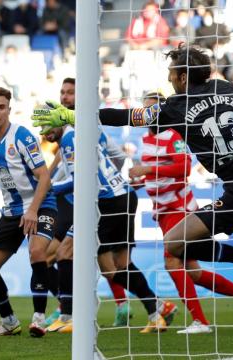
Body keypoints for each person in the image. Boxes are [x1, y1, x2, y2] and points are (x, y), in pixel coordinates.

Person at [32, 44, 233, 307]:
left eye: (172, 73)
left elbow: (126, 116)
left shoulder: (174, 107)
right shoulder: (221, 87)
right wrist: (229, 96)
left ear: (183, 76)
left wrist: (74, 115)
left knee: (174, 243)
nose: (169, 79)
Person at [39, 95, 176, 335]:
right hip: (121, 196)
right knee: (115, 266)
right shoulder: (75, 135)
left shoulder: (71, 138)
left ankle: (68, 315)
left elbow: (80, 180)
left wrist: (49, 190)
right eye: (40, 126)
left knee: (64, 252)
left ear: (60, 120)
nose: (44, 131)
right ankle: (158, 309)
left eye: (47, 124)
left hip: (109, 202)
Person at [131, 92, 233, 334]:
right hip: (163, 212)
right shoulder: (145, 139)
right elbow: (157, 174)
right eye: (145, 109)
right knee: (194, 271)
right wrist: (140, 181)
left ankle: (201, 322)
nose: (148, 115)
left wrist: (147, 168)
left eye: (152, 109)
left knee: (172, 260)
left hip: (180, 209)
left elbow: (183, 168)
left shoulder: (173, 135)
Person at [43, 78, 135, 329]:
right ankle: (70, 308)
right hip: (78, 199)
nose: (65, 97)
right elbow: (60, 167)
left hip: (89, 198)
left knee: (76, 256)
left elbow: (114, 157)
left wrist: (105, 182)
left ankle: (71, 311)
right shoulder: (66, 133)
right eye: (62, 92)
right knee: (68, 256)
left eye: (71, 92)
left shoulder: (85, 129)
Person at [0, 87, 56, 337]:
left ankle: (39, 319)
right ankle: (9, 321)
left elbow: (44, 176)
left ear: (9, 109)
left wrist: (33, 210)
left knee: (37, 250)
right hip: (12, 211)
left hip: (41, 205)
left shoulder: (21, 135)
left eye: (0, 107)